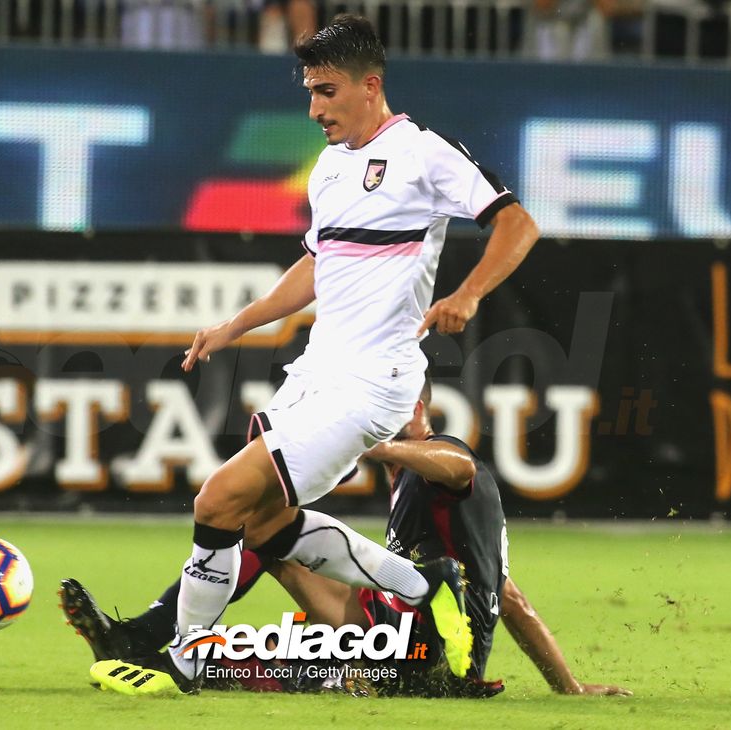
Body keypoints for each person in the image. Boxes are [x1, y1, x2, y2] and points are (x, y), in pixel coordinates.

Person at [89, 14, 540, 695]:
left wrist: (470, 294)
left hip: (372, 381)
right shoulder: (329, 170)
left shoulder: (423, 153)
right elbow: (315, 263)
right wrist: (235, 325)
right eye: (309, 91)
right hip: (315, 372)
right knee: (265, 525)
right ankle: (426, 586)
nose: (314, 108)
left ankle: (183, 656)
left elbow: (518, 223)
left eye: (326, 91)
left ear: (370, 85)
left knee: (218, 500)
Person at [61, 373, 630, 697]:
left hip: (422, 649)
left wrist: (372, 442)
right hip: (404, 626)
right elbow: (511, 599)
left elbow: (460, 471)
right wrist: (569, 689)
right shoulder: (413, 493)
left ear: (414, 407)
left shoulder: (445, 458)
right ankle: (151, 641)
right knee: (262, 527)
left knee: (273, 616)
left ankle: (174, 653)